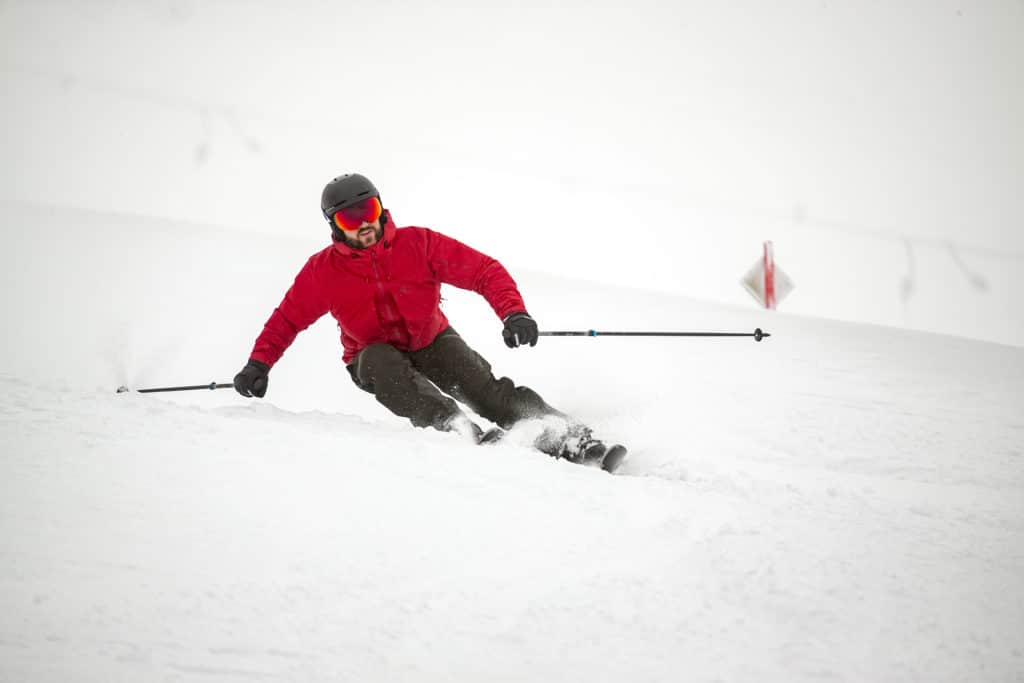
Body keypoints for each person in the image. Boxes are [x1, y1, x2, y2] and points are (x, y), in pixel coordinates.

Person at [233, 173, 612, 463]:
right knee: (382, 361)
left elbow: (484, 270)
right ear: (334, 225)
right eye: (350, 219)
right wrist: (258, 364)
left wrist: (513, 312)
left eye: (369, 212)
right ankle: (454, 426)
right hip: (371, 355)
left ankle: (571, 436)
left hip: (431, 339)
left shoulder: (418, 245)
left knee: (487, 392)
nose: (363, 224)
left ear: (381, 209)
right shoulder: (323, 272)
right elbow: (287, 320)